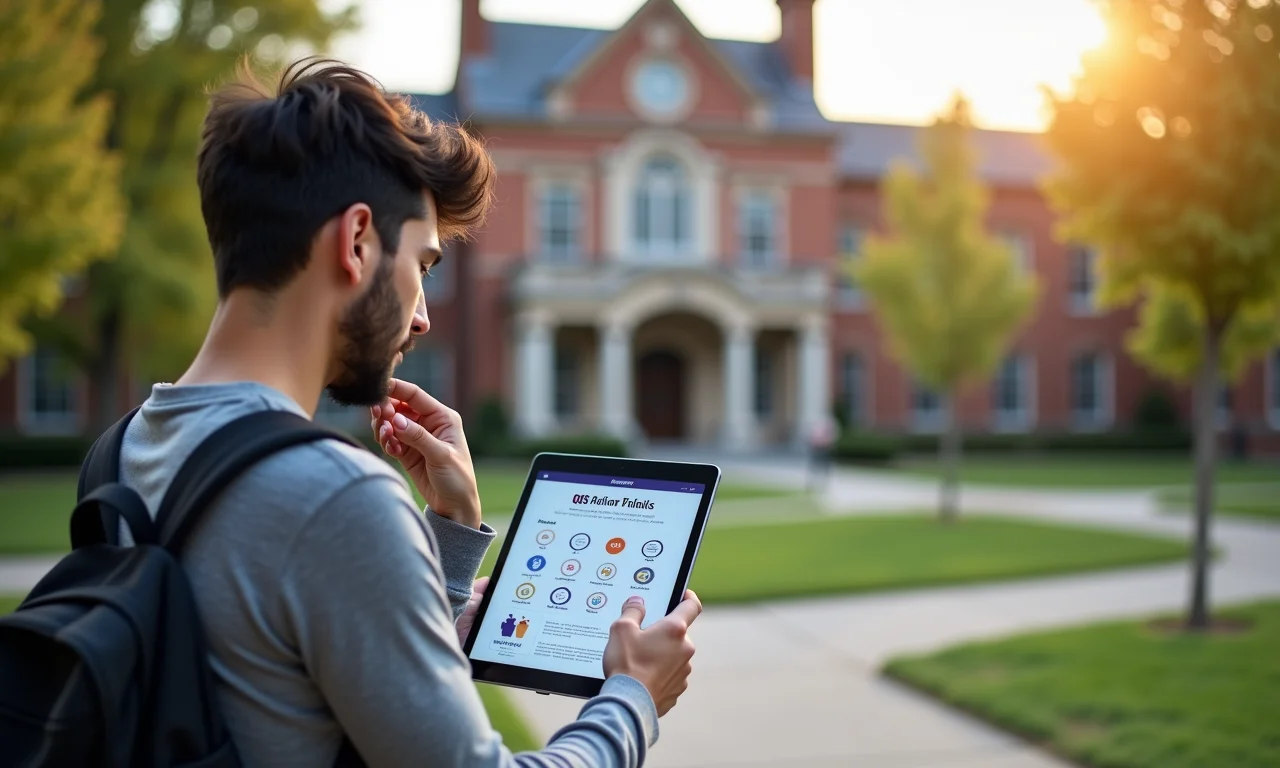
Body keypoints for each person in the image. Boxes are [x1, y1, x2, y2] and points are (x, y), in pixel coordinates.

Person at [114, 57, 701, 767]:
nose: (421, 317)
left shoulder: (129, 447)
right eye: (421, 266)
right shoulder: (336, 497)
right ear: (357, 242)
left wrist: (448, 542)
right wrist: (632, 697)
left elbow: (281, 686)